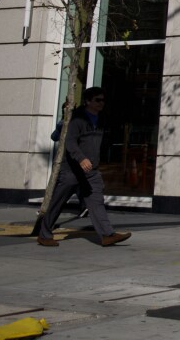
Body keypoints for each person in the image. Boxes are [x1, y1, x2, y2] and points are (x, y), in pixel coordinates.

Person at [37, 87, 132, 248]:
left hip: (91, 172)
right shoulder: (77, 120)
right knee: (58, 202)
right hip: (71, 171)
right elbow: (70, 142)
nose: (101, 103)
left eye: (103, 100)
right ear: (88, 101)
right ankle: (44, 234)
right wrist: (81, 159)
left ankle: (107, 235)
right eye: (97, 100)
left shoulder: (101, 119)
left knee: (96, 201)